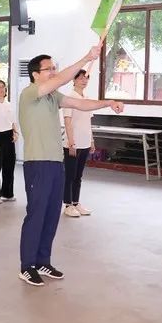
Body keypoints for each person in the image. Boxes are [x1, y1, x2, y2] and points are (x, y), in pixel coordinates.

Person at [18, 50, 125, 286]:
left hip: (56, 162)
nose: (54, 72)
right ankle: (27, 266)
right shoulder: (29, 93)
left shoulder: (53, 96)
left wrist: (108, 102)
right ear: (36, 74)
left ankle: (42, 260)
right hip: (38, 163)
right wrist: (86, 58)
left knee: (51, 214)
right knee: (36, 214)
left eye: (55, 68)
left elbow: (80, 103)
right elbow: (62, 80)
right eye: (49, 69)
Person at [62, 69, 96, 217]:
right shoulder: (69, 97)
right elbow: (67, 121)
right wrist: (71, 142)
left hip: (85, 142)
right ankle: (68, 204)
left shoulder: (87, 97)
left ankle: (76, 202)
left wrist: (92, 140)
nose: (84, 80)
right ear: (74, 80)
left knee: (78, 176)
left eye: (86, 78)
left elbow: (88, 121)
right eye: (81, 78)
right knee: (69, 175)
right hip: (73, 143)